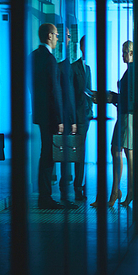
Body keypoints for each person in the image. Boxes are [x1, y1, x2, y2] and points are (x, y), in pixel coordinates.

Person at [90, 41, 138, 207]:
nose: (122, 55)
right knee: (121, 150)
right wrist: (111, 96)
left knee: (128, 152)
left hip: (130, 114)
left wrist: (110, 97)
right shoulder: (133, 69)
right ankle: (127, 191)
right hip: (128, 114)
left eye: (124, 52)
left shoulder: (134, 70)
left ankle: (124, 191)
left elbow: (131, 97)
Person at [31, 23, 76, 209]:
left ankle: (45, 195)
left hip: (41, 114)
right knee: (49, 155)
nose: (58, 38)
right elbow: (54, 92)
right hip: (51, 116)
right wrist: (59, 119)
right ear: (49, 36)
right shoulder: (49, 59)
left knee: (46, 153)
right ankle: (45, 197)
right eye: (57, 35)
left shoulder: (32, 57)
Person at [70, 35, 93, 201]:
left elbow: (88, 92)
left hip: (86, 115)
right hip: (76, 117)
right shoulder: (73, 68)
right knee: (77, 152)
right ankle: (76, 186)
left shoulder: (88, 68)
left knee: (81, 152)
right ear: (82, 47)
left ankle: (79, 184)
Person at [57, 27, 77, 203]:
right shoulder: (61, 63)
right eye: (67, 36)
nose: (70, 39)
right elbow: (65, 93)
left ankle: (66, 187)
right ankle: (64, 191)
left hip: (64, 115)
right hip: (61, 116)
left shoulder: (68, 63)